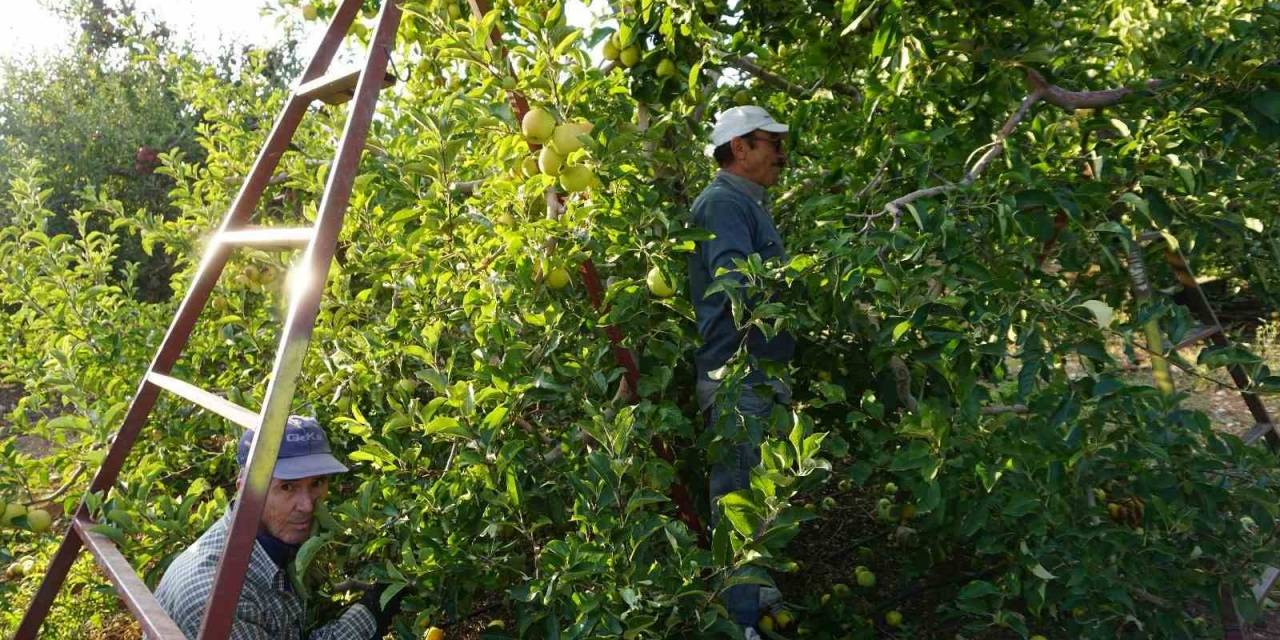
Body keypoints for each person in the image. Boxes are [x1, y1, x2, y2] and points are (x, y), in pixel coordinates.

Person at [688, 105, 794, 639]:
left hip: (758, 372)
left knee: (762, 487)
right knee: (738, 497)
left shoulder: (747, 202)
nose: (780, 152)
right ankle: (738, 624)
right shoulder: (724, 203)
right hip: (738, 375)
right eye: (768, 141)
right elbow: (736, 283)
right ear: (740, 148)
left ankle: (753, 591)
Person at [154, 415, 400, 639]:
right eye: (287, 487)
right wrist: (372, 610)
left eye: (317, 482)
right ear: (246, 489)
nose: (306, 505)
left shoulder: (278, 543)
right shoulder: (217, 599)